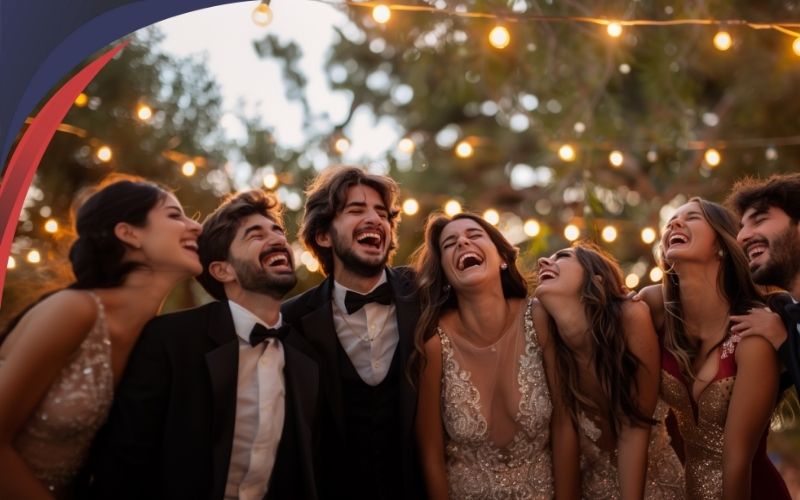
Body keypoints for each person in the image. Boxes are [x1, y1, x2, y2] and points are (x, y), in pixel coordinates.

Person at [88, 190, 320, 500]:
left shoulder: (305, 354)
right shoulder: (169, 340)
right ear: (223, 270)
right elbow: (123, 465)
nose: (276, 238)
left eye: (277, 230)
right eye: (255, 235)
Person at [0, 176, 202, 499]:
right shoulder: (73, 312)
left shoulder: (154, 342)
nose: (197, 227)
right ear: (129, 233)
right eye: (175, 215)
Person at [282, 166, 424, 500]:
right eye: (356, 210)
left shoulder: (427, 295)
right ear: (323, 236)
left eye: (382, 213)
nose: (375, 219)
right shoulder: (292, 319)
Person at [642, 198, 790, 499]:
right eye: (671, 219)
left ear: (721, 246)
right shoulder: (653, 309)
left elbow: (737, 463)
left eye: (692, 217)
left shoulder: (752, 335)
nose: (674, 223)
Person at [411, 212, 553, 499]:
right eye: (450, 244)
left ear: (502, 257)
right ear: (446, 274)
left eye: (474, 235)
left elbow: (566, 425)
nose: (462, 242)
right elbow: (430, 455)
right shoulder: (434, 343)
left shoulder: (538, 317)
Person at [535, 242, 683, 499]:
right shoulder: (550, 340)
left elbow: (634, 427)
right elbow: (562, 430)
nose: (542, 263)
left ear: (596, 279)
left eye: (562, 256)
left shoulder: (631, 315)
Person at [725, 174, 800, 392]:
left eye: (759, 220)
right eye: (742, 226)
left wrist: (782, 341)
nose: (741, 237)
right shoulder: (784, 317)